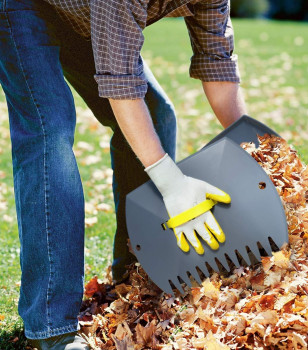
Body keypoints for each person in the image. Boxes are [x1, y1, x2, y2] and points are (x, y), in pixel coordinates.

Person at [0, 0, 246, 349]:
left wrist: (260, 150)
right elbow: (122, 87)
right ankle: (53, 326)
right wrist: (170, 183)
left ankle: (136, 280)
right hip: (24, 7)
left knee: (157, 115)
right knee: (49, 130)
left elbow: (217, 65)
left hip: (85, 15)